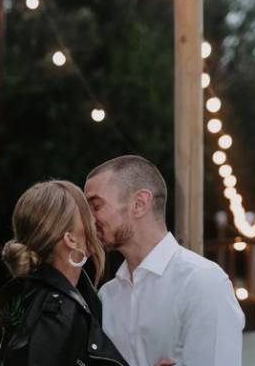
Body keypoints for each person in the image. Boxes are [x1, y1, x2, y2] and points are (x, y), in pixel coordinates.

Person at [84, 155, 245, 366]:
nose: (88, 219)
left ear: (139, 203)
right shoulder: (107, 296)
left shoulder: (203, 283)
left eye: (95, 206)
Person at [0, 180, 129, 366]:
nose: (94, 219)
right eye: (86, 212)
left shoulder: (21, 296)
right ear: (70, 239)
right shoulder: (58, 311)